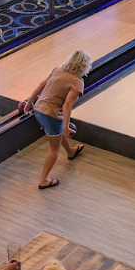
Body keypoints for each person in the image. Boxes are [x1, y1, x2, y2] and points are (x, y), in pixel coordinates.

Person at [17, 50, 90, 190]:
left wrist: (29, 101)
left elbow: (42, 84)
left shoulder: (58, 69)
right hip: (51, 115)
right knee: (54, 148)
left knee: (56, 133)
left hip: (39, 109)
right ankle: (43, 179)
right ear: (85, 67)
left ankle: (70, 151)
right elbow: (67, 104)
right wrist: (67, 126)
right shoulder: (77, 82)